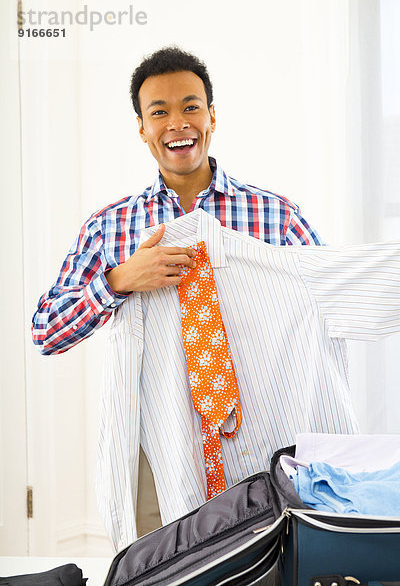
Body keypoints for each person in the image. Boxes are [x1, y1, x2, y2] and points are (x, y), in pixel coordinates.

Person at [32, 46, 323, 539]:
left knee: (269, 558)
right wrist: (120, 279)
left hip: (262, 430)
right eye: (159, 112)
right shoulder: (112, 228)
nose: (177, 124)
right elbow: (46, 331)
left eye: (190, 106)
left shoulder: (276, 216)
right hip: (158, 440)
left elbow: (330, 303)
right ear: (142, 129)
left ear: (212, 116)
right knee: (164, 566)